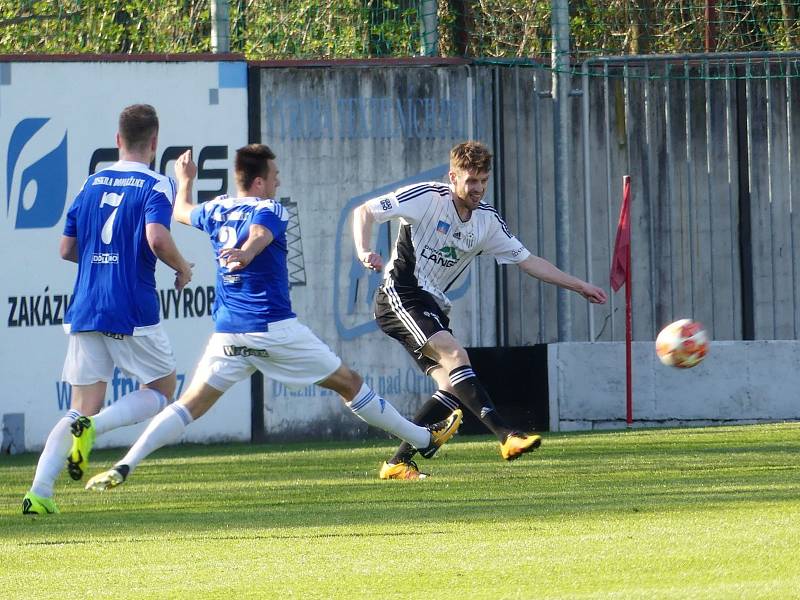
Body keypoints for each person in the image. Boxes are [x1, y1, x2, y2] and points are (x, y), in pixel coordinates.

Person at [83, 145, 462, 491]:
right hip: (274, 329)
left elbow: (181, 212)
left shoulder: (216, 209)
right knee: (349, 383)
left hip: (228, 335)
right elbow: (261, 233)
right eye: (275, 176)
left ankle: (125, 464)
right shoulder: (270, 208)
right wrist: (247, 252)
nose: (278, 182)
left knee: (188, 406)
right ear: (260, 181)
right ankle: (424, 439)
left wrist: (185, 181)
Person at [352, 140, 608, 480]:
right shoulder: (428, 197)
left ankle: (398, 463)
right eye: (471, 181)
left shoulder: (486, 221)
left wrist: (580, 286)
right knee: (456, 354)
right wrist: (364, 250)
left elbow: (528, 261)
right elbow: (365, 211)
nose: (478, 188)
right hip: (400, 293)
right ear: (453, 177)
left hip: (431, 305)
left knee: (451, 390)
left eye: (483, 181)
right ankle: (506, 435)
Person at [22, 104, 194, 515]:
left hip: (86, 304)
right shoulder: (156, 185)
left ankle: (39, 493)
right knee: (161, 390)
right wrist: (183, 267)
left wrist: (102, 255)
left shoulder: (90, 183)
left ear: (117, 140)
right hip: (130, 305)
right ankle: (94, 428)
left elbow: (66, 249)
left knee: (80, 407)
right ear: (154, 142)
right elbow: (156, 238)